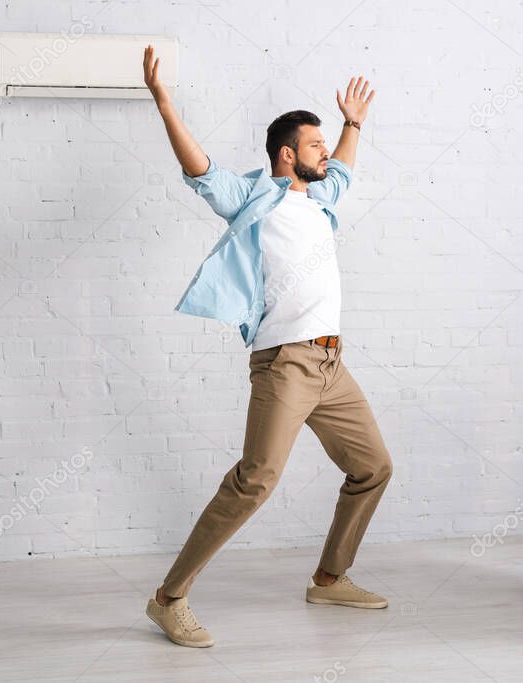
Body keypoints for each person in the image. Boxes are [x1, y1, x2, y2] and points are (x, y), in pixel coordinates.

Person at [142, 45, 393, 648]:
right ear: (287, 155)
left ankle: (329, 577)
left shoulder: (323, 198)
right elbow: (200, 169)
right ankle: (167, 598)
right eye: (315, 146)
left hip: (332, 364)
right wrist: (164, 103)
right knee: (255, 480)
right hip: (285, 363)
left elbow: (347, 169)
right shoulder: (254, 197)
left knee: (373, 468)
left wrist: (352, 124)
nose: (325, 153)